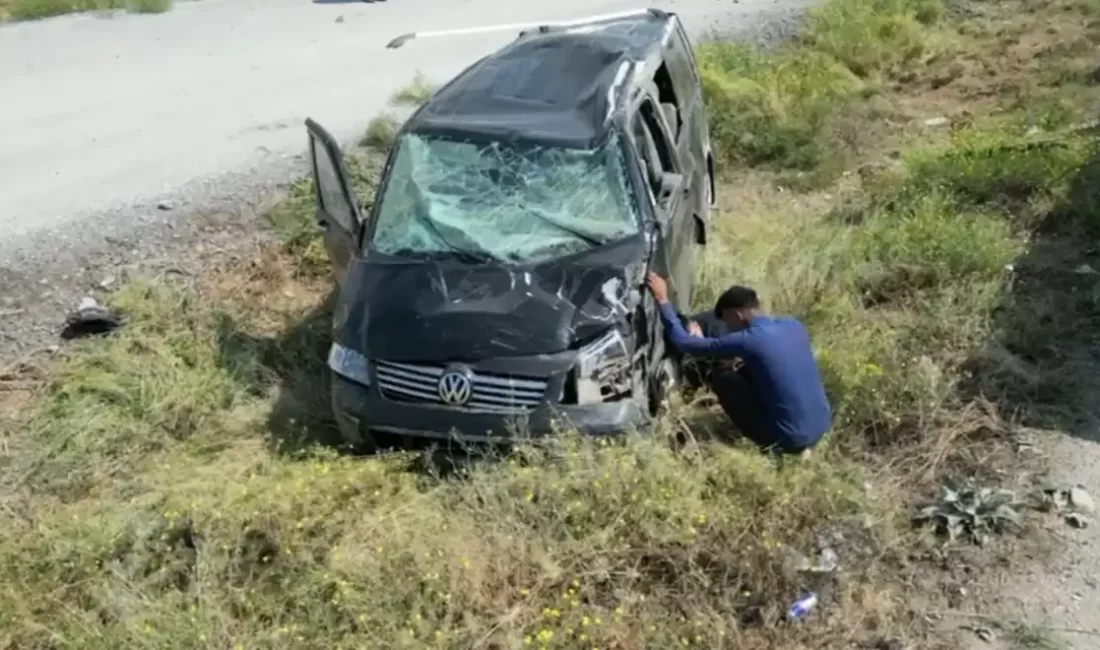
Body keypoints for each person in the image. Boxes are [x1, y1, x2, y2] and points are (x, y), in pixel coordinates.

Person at [646, 272, 832, 454]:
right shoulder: (793, 325)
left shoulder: (748, 340)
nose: (728, 329)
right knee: (746, 366)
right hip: (822, 424)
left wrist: (662, 299)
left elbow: (685, 343)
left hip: (788, 437)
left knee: (722, 374)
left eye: (728, 322)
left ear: (738, 316)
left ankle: (770, 443)